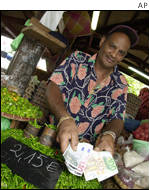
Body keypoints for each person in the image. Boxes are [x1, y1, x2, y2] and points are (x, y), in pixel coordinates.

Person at [46, 25, 139, 156]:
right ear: (102, 42)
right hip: (48, 136)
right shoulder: (77, 60)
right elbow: (53, 86)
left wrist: (110, 135)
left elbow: (117, 118)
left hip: (81, 153)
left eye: (121, 52)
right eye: (112, 46)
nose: (114, 54)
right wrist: (64, 118)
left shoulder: (120, 84)